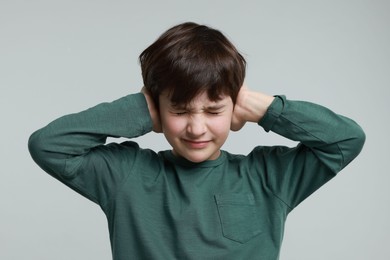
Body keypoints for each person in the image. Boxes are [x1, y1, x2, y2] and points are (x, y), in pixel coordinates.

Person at [28, 22, 365, 260]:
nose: (197, 128)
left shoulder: (267, 178)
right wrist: (140, 110)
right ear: (158, 110)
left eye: (214, 110)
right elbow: (48, 145)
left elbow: (345, 140)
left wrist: (262, 107)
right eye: (180, 110)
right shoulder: (125, 176)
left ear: (234, 106)